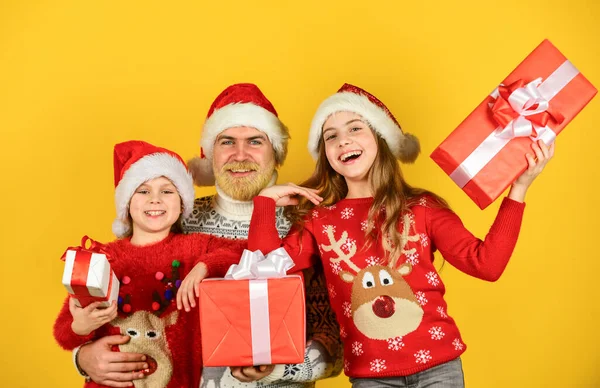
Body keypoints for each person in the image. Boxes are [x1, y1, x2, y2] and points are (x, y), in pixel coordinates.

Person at [248, 83, 554, 387]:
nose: (343, 141)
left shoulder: (422, 208)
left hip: (440, 369)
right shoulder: (320, 221)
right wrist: (264, 203)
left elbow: (486, 264)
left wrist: (520, 188)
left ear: (380, 140)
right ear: (325, 153)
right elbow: (263, 274)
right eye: (331, 136)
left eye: (355, 129)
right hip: (371, 378)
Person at [74, 83, 342, 387]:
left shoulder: (307, 223)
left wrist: (276, 370)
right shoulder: (177, 217)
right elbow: (130, 305)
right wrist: (84, 357)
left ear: (276, 153)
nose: (240, 154)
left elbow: (335, 341)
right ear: (210, 153)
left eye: (255, 141)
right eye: (227, 141)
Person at [54, 140, 246, 387]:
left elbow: (243, 253)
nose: (155, 200)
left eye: (167, 191)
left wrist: (205, 265)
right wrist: (80, 327)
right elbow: (63, 334)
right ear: (126, 204)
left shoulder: (195, 248)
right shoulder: (102, 259)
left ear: (182, 203)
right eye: (143, 191)